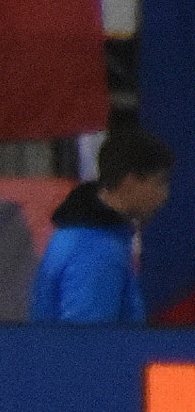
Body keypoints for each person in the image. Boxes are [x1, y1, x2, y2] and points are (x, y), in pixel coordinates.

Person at [29, 129, 174, 324]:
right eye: (159, 183)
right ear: (130, 181)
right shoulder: (97, 248)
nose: (164, 195)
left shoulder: (83, 234)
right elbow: (89, 337)